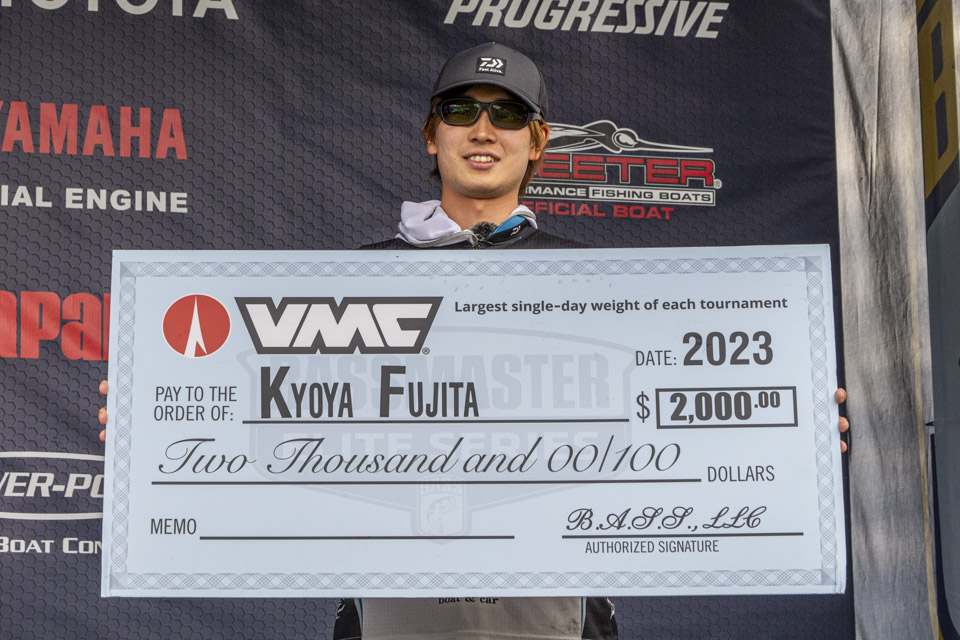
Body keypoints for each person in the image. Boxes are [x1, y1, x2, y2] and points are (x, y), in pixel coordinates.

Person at [98, 41, 851, 640]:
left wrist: (788, 430)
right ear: (432, 134)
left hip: (559, 613)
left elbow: (674, 421)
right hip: (391, 614)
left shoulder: (604, 286)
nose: (483, 130)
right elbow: (272, 421)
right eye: (461, 110)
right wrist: (157, 422)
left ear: (539, 141)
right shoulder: (351, 282)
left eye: (508, 114)